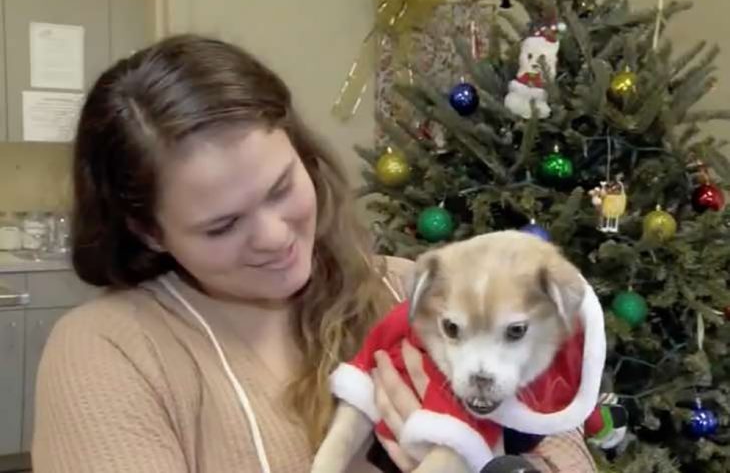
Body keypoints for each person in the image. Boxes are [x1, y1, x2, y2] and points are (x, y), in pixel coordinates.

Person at [32, 34, 597, 473]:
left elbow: (568, 450)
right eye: (223, 225)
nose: (276, 237)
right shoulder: (108, 352)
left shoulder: (413, 291)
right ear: (149, 231)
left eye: (281, 188)